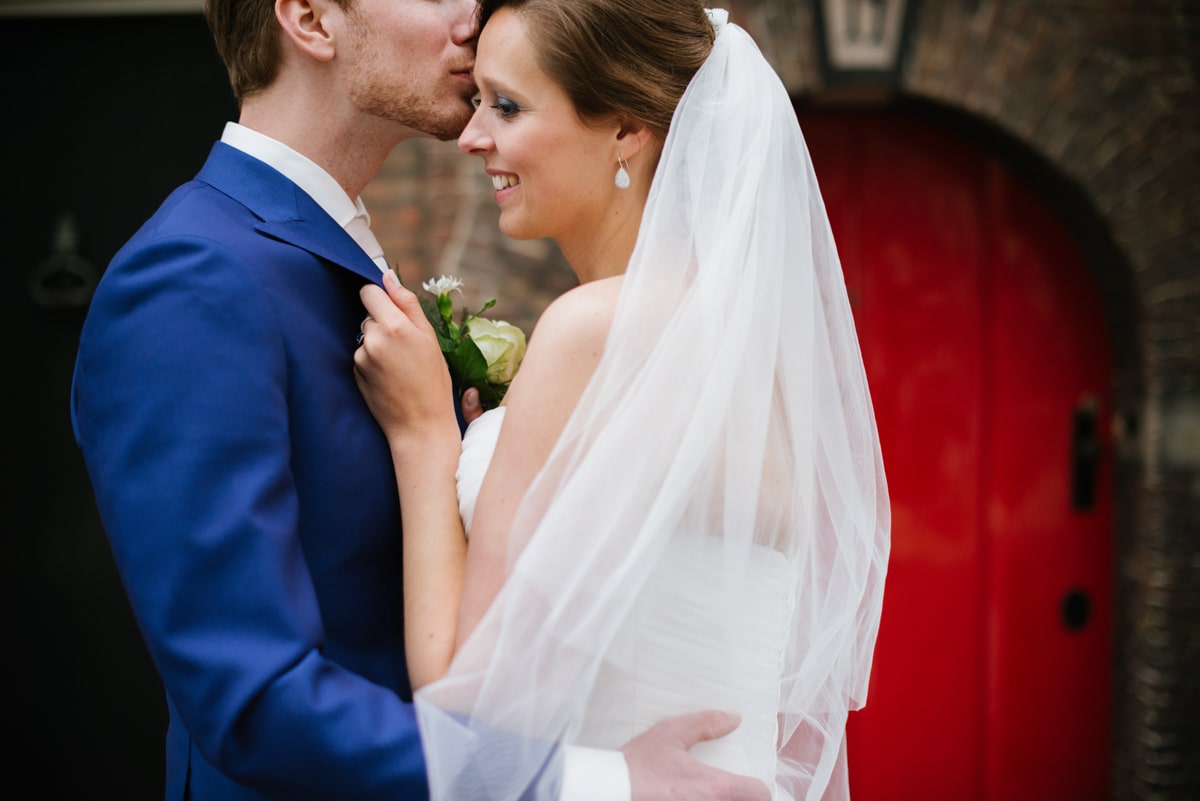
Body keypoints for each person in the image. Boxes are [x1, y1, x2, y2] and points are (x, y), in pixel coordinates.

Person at [71, 1, 758, 799]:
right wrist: (588, 780)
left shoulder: (328, 256)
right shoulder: (192, 279)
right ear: (309, 19)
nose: (469, 11)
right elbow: (252, 697)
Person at [354, 2, 891, 801]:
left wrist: (425, 437)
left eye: (506, 105)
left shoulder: (591, 333)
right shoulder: (753, 349)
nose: (472, 137)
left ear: (625, 130)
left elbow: (461, 699)